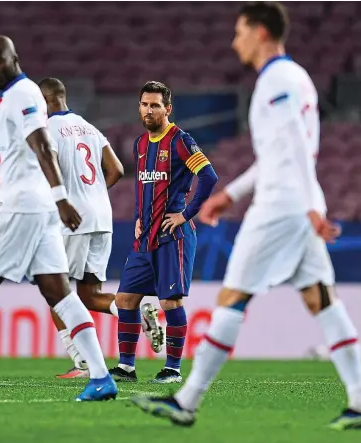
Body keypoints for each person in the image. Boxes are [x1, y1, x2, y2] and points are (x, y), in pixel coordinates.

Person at [130, 2, 361, 430]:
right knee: (321, 299)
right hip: (292, 202)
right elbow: (278, 154)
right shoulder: (294, 78)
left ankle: (187, 400)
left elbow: (293, 147)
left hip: (280, 208)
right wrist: (230, 194)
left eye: (239, 32)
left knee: (232, 298)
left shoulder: (276, 80)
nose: (234, 41)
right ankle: (360, 399)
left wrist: (313, 206)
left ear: (260, 32)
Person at [0, 35, 117, 402]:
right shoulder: (11, 97)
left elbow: (41, 143)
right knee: (60, 293)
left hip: (18, 205)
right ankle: (101, 377)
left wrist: (62, 198)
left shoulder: (23, 95)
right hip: (38, 210)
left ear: (14, 59)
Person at [39, 78, 162, 379]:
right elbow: (117, 168)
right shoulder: (88, 127)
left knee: (58, 293)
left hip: (72, 220)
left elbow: (50, 170)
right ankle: (137, 313)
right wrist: (93, 193)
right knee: (90, 295)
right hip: (101, 217)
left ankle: (81, 361)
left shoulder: (48, 130)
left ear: (45, 102)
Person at [109, 81, 218, 383]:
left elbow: (208, 177)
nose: (148, 110)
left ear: (167, 109)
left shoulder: (180, 141)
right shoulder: (140, 145)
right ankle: (127, 366)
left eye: (155, 105)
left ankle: (172, 368)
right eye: (144, 104)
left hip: (173, 238)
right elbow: (142, 187)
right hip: (145, 238)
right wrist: (137, 218)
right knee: (125, 299)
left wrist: (186, 215)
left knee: (170, 303)